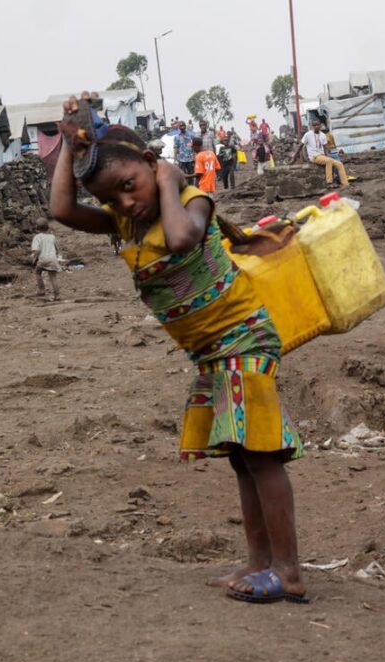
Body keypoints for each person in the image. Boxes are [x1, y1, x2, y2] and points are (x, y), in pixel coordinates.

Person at [49, 93, 307, 603]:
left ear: (151, 164)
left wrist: (168, 179)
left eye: (131, 186)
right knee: (241, 456)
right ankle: (260, 562)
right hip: (213, 352)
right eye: (113, 199)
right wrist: (69, 144)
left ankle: (289, 572)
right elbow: (60, 208)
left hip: (243, 338)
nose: (126, 203)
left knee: (262, 455)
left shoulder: (192, 201)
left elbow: (185, 238)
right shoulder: (126, 222)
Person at [293, 119, 349, 188]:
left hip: (322, 156)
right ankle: (329, 182)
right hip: (314, 156)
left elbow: (325, 148)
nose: (316, 126)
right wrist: (294, 157)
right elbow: (300, 146)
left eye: (317, 125)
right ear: (312, 126)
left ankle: (345, 184)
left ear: (320, 125)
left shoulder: (323, 135)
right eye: (314, 125)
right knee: (328, 161)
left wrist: (328, 156)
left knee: (339, 164)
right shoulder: (308, 134)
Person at [30, 217, 62, 300]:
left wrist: (34, 258)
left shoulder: (37, 237)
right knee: (53, 277)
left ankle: (41, 290)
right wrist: (56, 255)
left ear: (37, 228)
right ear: (47, 227)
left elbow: (36, 250)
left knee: (38, 272)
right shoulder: (52, 237)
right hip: (52, 259)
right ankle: (57, 295)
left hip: (43, 259)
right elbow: (57, 249)